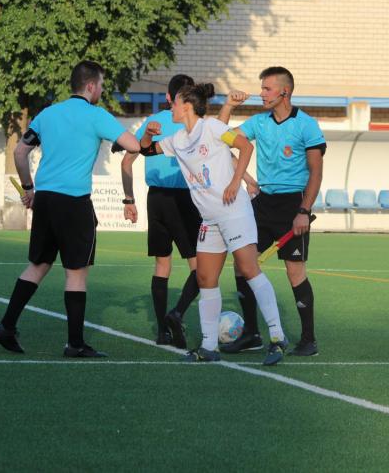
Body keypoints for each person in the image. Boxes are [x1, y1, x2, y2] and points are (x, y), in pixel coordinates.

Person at [0, 60, 141, 358]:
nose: (101, 90)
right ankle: (74, 343)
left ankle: (6, 326)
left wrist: (29, 188)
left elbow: (20, 152)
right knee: (76, 273)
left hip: (45, 199)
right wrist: (115, 145)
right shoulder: (96, 115)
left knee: (38, 265)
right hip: (74, 202)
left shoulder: (48, 114)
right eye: (101, 85)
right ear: (90, 86)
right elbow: (134, 145)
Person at [139, 83, 288, 365]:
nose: (170, 107)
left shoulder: (213, 128)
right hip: (209, 219)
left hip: (234, 212)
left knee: (248, 268)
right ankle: (209, 347)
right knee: (206, 278)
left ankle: (278, 338)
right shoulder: (178, 139)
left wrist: (236, 182)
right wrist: (147, 134)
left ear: (186, 106)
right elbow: (145, 152)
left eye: (174, 103)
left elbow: (245, 146)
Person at [218, 66, 325, 357]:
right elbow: (220, 138)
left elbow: (316, 173)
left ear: (284, 92)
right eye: (262, 88)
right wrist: (228, 106)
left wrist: (304, 210)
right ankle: (252, 334)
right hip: (263, 204)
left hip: (294, 205)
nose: (262, 93)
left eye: (267, 88)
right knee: (242, 264)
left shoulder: (307, 125)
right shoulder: (258, 122)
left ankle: (308, 339)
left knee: (294, 272)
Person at [118, 74, 201, 349]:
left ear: (168, 97)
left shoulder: (152, 123)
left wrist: (129, 199)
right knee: (199, 266)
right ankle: (176, 314)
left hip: (156, 201)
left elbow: (127, 163)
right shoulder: (192, 123)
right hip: (185, 200)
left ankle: (162, 331)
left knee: (162, 264)